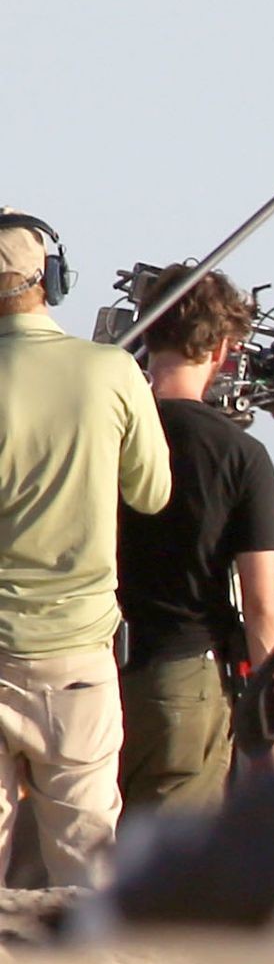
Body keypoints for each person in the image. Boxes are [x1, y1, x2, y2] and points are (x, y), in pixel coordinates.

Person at [0, 208, 170, 884]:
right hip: (75, 656)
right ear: (52, 278)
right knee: (86, 868)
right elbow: (152, 492)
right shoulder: (111, 370)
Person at [117, 265, 274, 806]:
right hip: (184, 679)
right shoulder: (240, 455)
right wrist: (272, 728)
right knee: (169, 852)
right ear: (222, 350)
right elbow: (263, 604)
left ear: (147, 335)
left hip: (88, 670)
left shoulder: (105, 431)